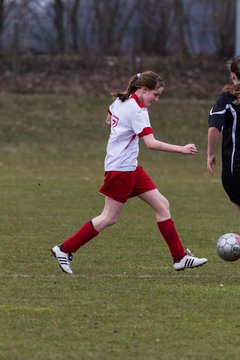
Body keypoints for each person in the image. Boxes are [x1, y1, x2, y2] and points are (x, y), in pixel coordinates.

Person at [52, 70, 208, 274]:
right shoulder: (137, 110)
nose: (157, 99)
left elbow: (109, 115)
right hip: (121, 169)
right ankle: (64, 249)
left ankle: (179, 258)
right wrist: (182, 149)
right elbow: (151, 144)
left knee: (162, 205)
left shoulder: (121, 100)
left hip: (129, 166)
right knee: (109, 217)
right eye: (155, 94)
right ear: (143, 90)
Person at [207, 56, 240, 212]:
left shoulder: (226, 98)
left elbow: (214, 127)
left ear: (233, 75)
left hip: (235, 167)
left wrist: (210, 154)